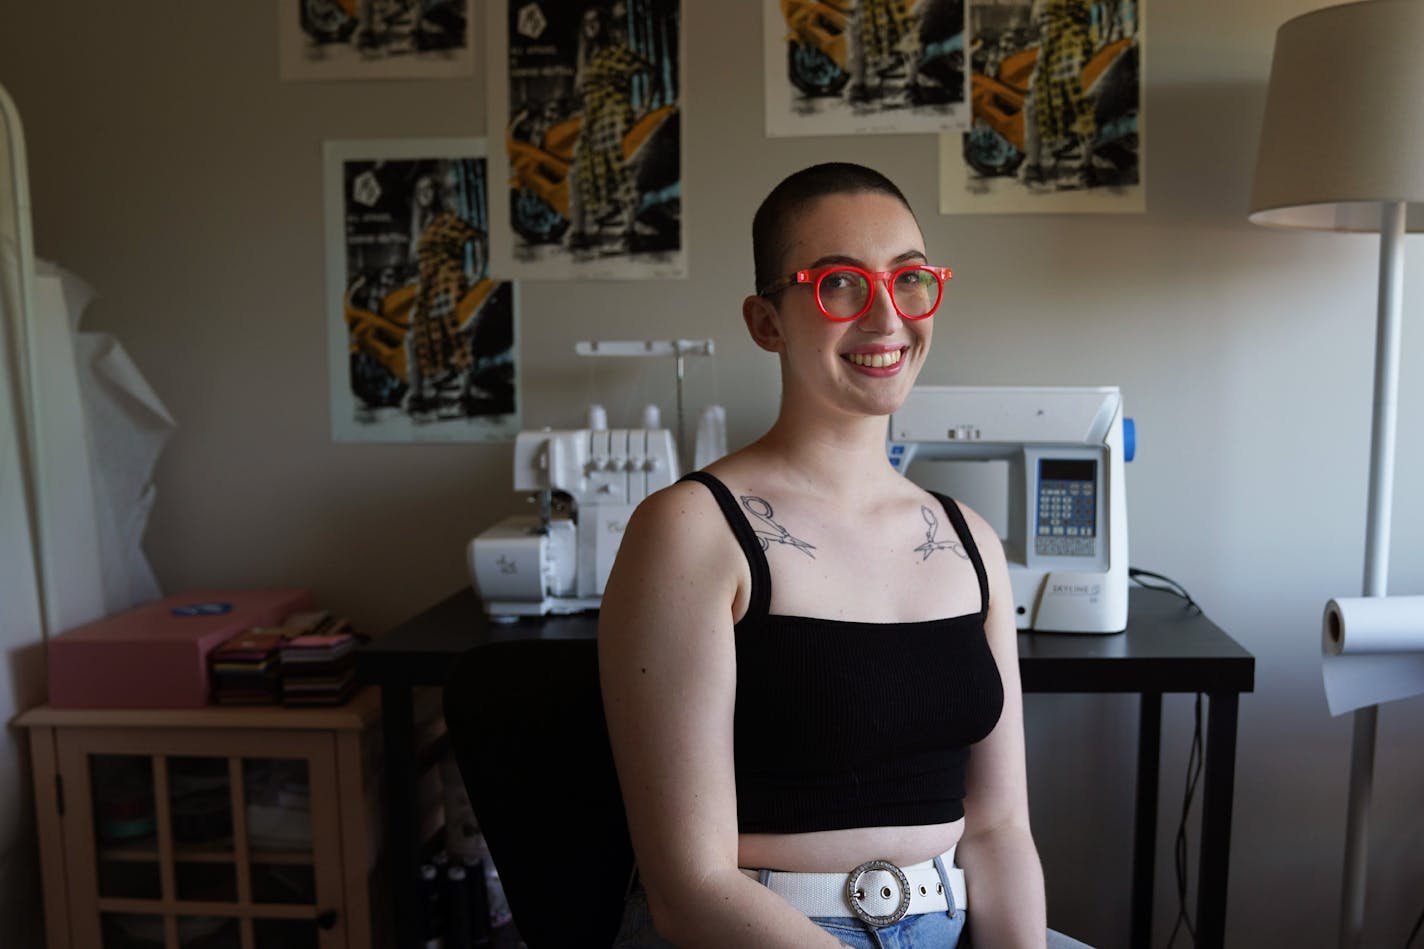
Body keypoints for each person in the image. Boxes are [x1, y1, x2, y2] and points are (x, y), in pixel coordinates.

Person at [598, 163, 1089, 948]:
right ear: (768, 321)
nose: (887, 317)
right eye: (841, 285)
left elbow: (998, 832)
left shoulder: (970, 543)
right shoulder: (692, 529)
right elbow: (689, 888)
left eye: (910, 279)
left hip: (946, 922)